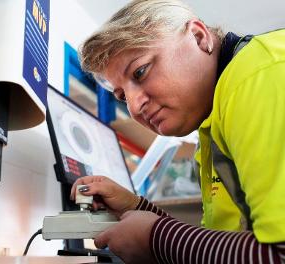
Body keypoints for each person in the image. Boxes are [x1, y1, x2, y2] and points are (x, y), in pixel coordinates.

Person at [70, 0, 285, 263]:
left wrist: (155, 237)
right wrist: (136, 208)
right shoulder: (210, 132)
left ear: (198, 36)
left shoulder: (258, 75)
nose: (135, 106)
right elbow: (218, 249)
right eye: (121, 95)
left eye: (140, 71)